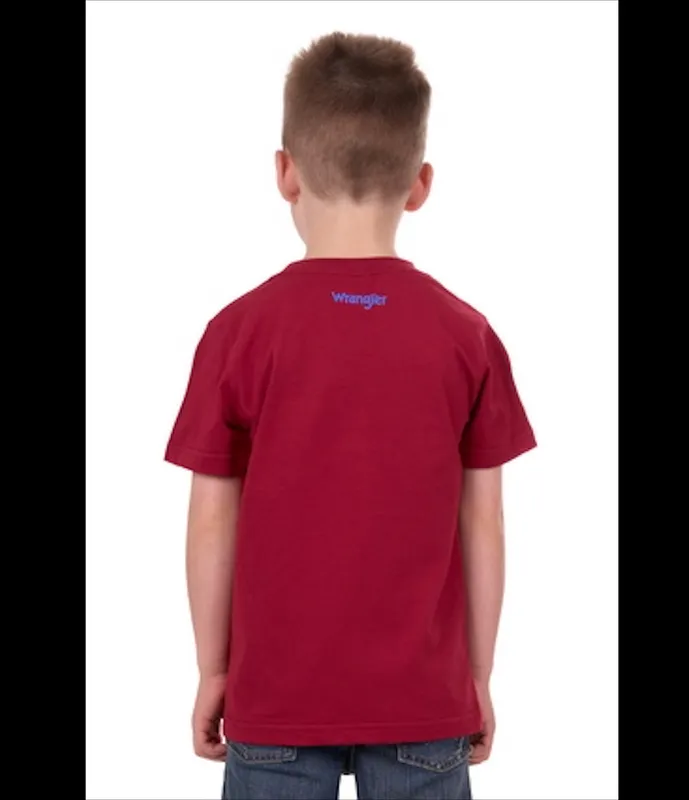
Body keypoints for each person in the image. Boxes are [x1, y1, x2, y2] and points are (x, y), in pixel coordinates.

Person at [165, 31, 536, 800]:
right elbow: (484, 522)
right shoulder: (465, 335)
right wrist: (476, 676)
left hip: (274, 701)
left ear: (284, 172)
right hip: (424, 702)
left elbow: (210, 521)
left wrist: (212, 670)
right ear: (420, 183)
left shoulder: (238, 333)